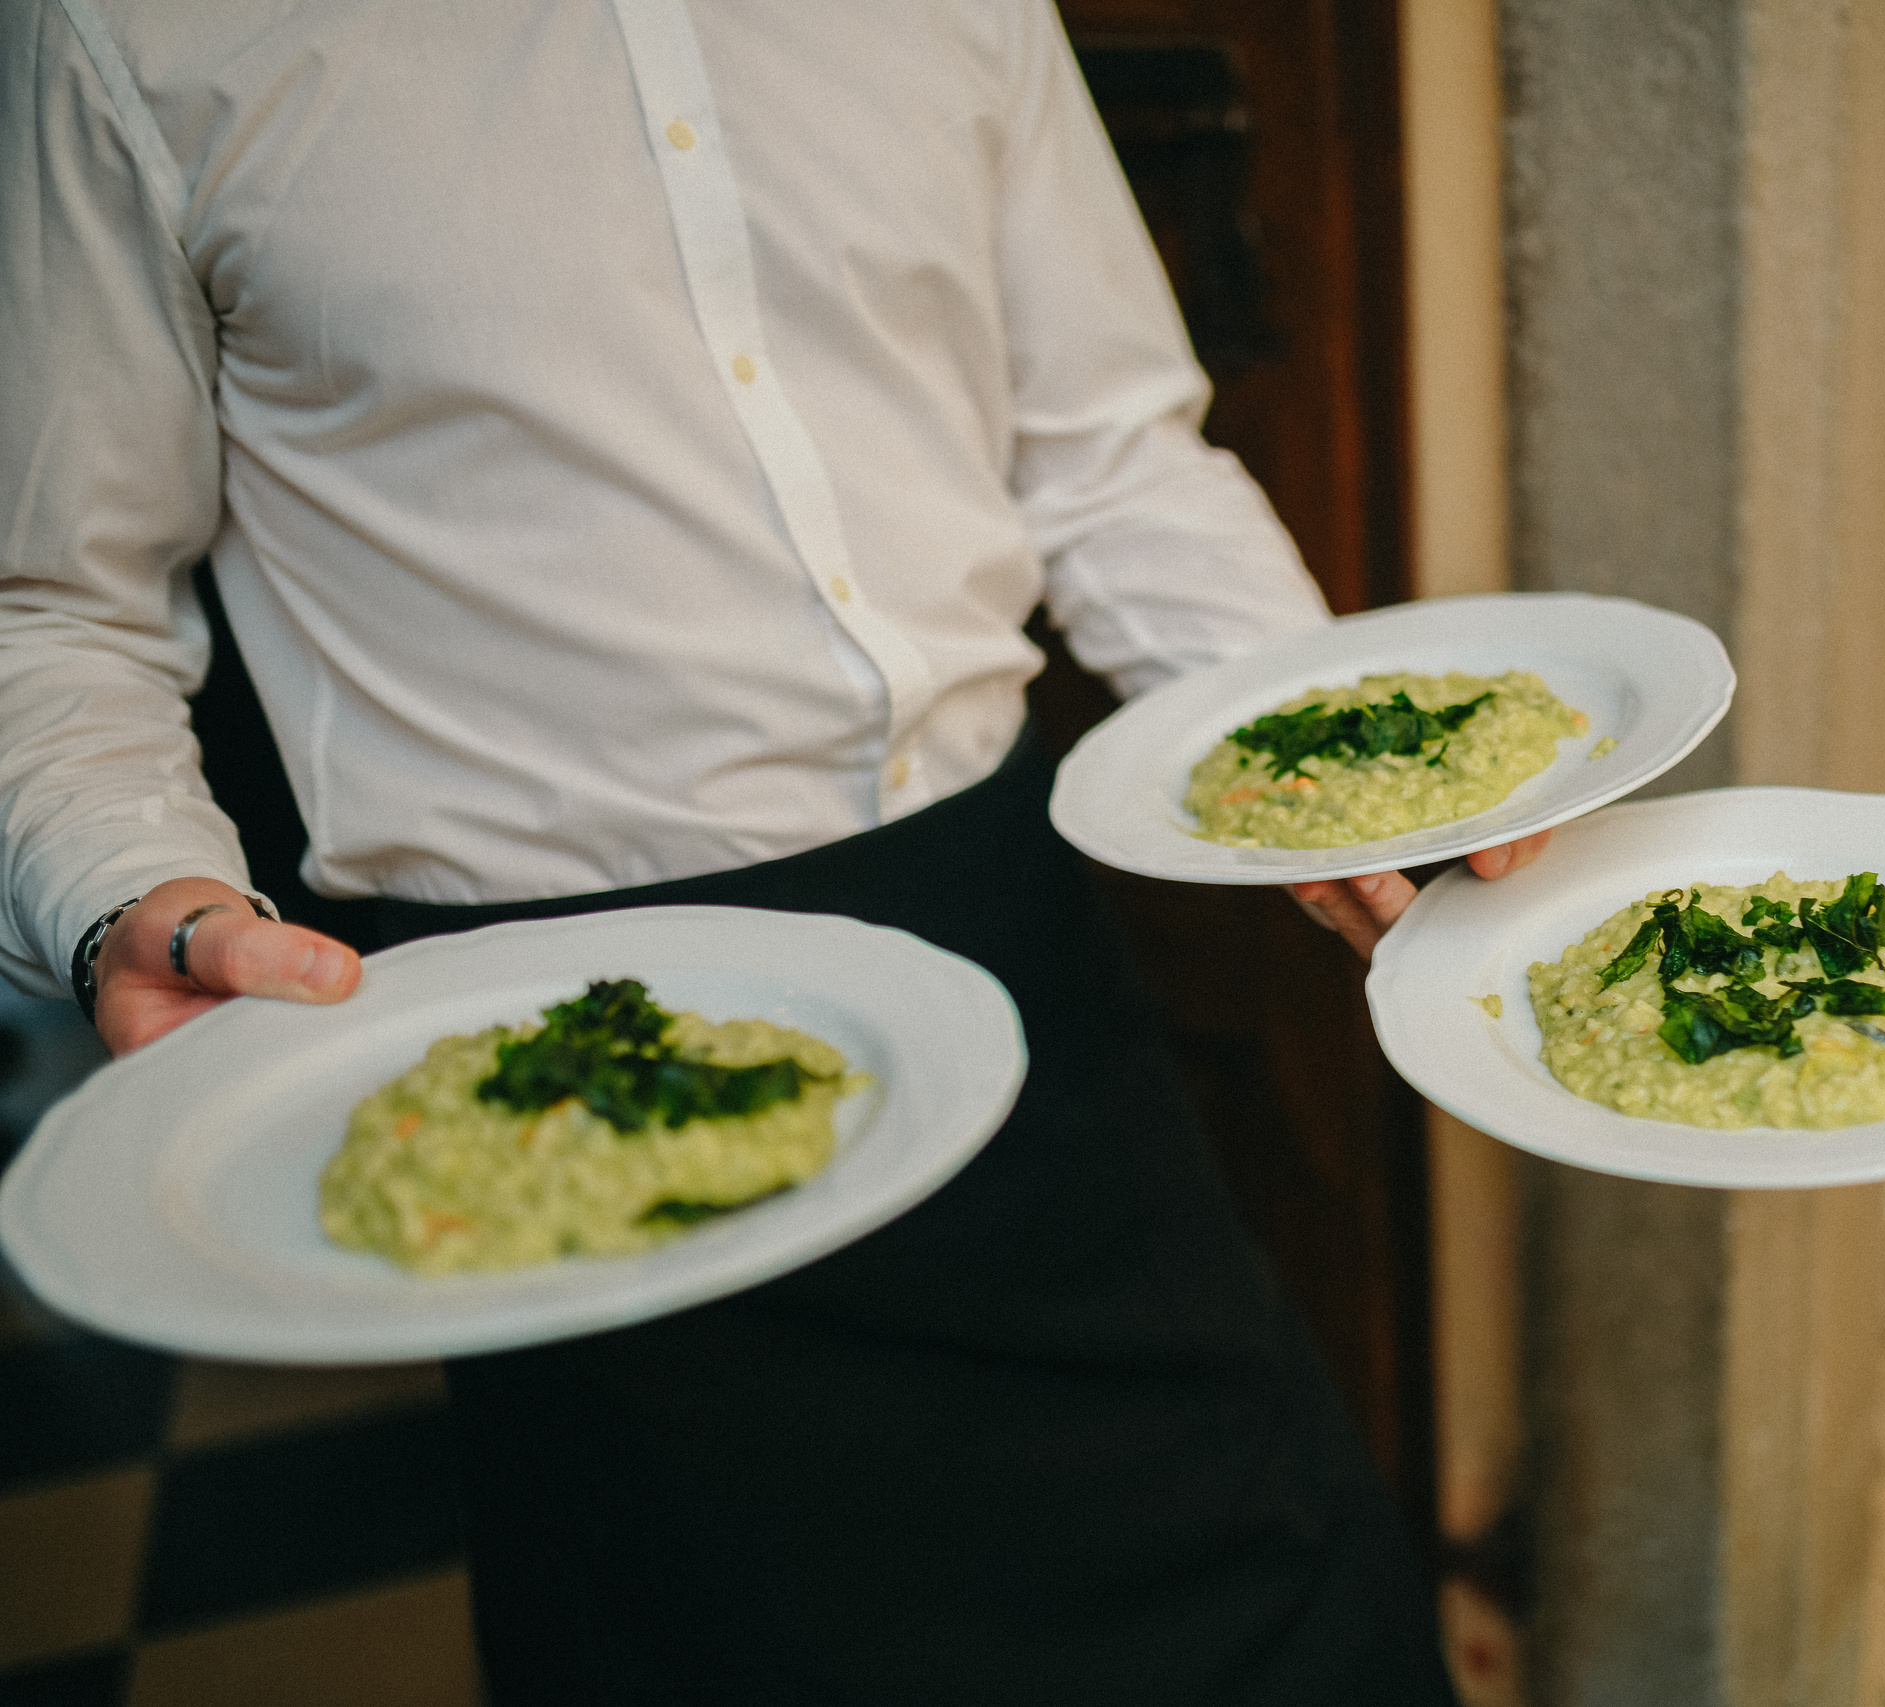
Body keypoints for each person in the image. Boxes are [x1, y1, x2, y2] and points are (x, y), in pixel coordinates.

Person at [1, 2, 1543, 1701]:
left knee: (1293, 1623)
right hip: (543, 1073)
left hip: (1011, 955)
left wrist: (1353, 773)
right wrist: (127, 882)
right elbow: (55, 604)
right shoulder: (125, 31)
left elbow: (1108, 460)